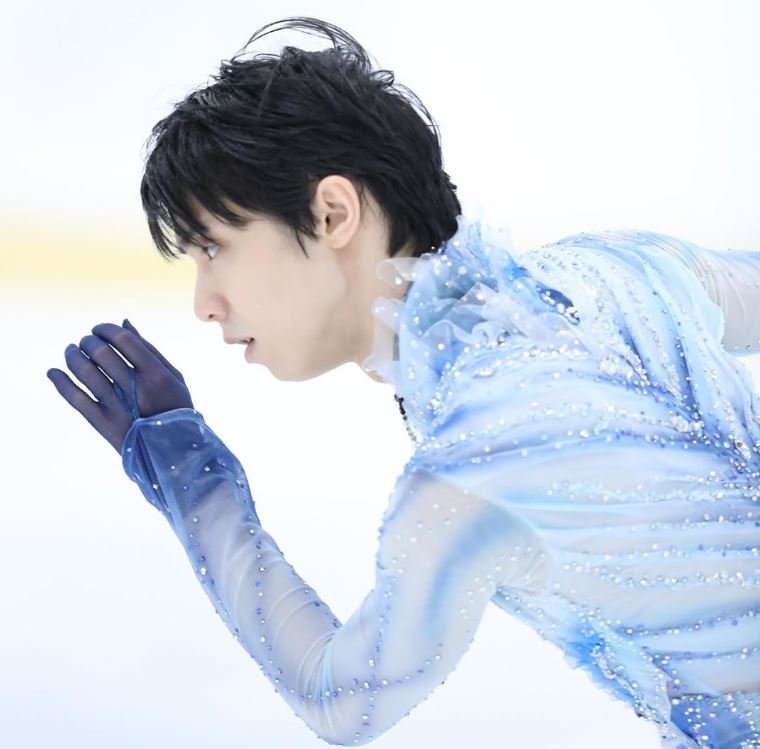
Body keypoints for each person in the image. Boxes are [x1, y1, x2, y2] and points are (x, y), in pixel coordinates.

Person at [46, 16, 760, 749]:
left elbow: (341, 699)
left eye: (213, 248)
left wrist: (195, 483)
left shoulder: (472, 469)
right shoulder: (616, 271)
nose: (205, 303)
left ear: (333, 213)